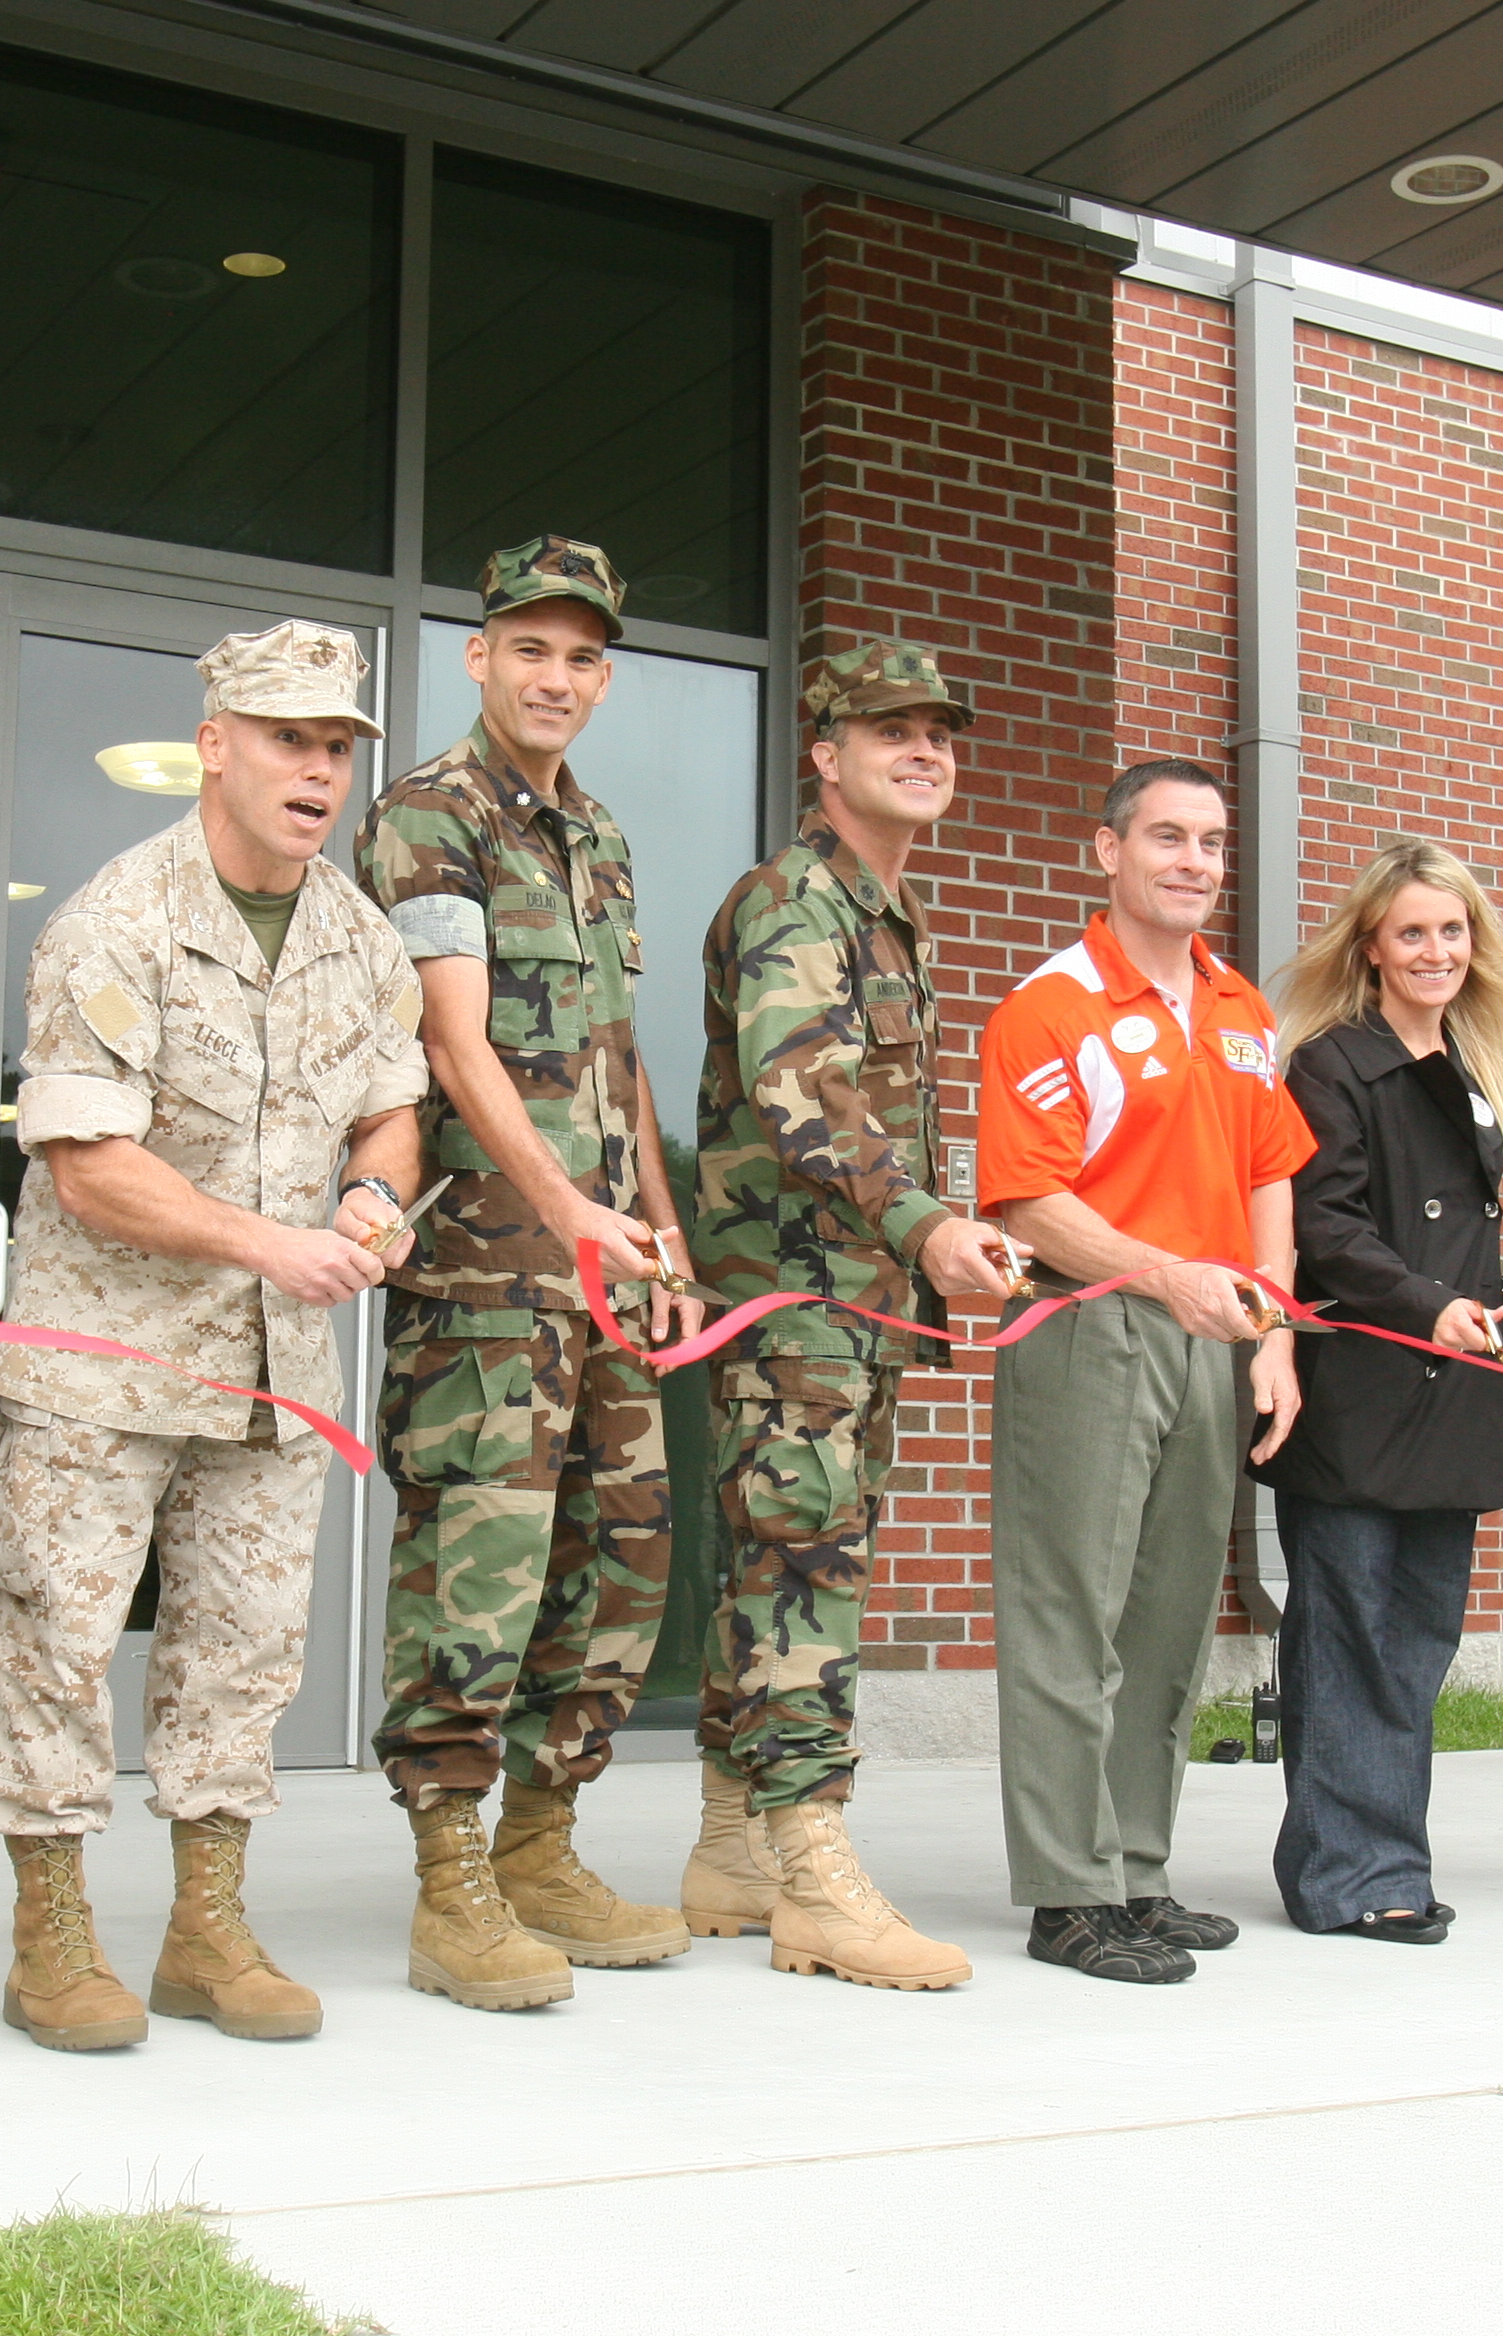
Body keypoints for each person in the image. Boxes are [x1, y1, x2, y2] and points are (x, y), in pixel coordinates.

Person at [0, 621, 429, 2050]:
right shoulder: (116, 918)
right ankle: (51, 1938)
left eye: (339, 745)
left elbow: (392, 1104)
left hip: (275, 1375)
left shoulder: (356, 934)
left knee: (244, 1653)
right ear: (215, 742)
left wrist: (369, 1194)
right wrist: (266, 1239)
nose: (319, 770)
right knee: (52, 1640)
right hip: (106, 1362)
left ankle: (206, 1929)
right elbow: (85, 1163)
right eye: (290, 738)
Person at [355, 536, 706, 2010]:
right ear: (479, 656)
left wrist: (664, 1234)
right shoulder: (431, 816)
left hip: (609, 1268)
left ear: (604, 675)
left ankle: (544, 1845)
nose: (555, 678)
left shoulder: (603, 837)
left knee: (620, 1560)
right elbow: (453, 1042)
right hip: (492, 1273)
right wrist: (566, 1205)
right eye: (530, 650)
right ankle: (450, 1886)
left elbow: (619, 1059)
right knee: (477, 1576)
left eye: (581, 657)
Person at [678, 639, 1018, 1991]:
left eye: (940, 729)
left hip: (855, 1304)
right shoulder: (793, 902)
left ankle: (729, 1848)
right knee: (805, 1566)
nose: (923, 747)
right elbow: (805, 1089)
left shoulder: (885, 911)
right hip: (796, 1300)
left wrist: (923, 1251)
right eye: (890, 729)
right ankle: (813, 1869)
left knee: (777, 1558)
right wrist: (931, 1225)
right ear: (825, 754)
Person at [977, 758, 1312, 1984]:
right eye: (1166, 836)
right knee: (1074, 1608)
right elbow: (1026, 1196)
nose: (1193, 861)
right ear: (1104, 850)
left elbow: (1272, 1171)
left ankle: (1137, 1870)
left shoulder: (1239, 1009)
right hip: (1093, 1320)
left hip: (1213, 1331)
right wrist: (1166, 1272)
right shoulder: (1051, 1004)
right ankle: (1068, 1891)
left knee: (1172, 1613)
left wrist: (1272, 1326)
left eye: (1212, 842)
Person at [1252, 839, 1503, 1944]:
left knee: (1419, 1631)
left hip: (1455, 1386)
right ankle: (1347, 1874)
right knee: (1349, 1630)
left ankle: (1389, 1857)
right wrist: (1428, 1304)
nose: (1435, 950)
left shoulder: (1470, 1066)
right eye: (1412, 930)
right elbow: (1326, 1229)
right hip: (1362, 1388)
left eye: (1453, 930)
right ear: (1370, 944)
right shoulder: (1329, 1064)